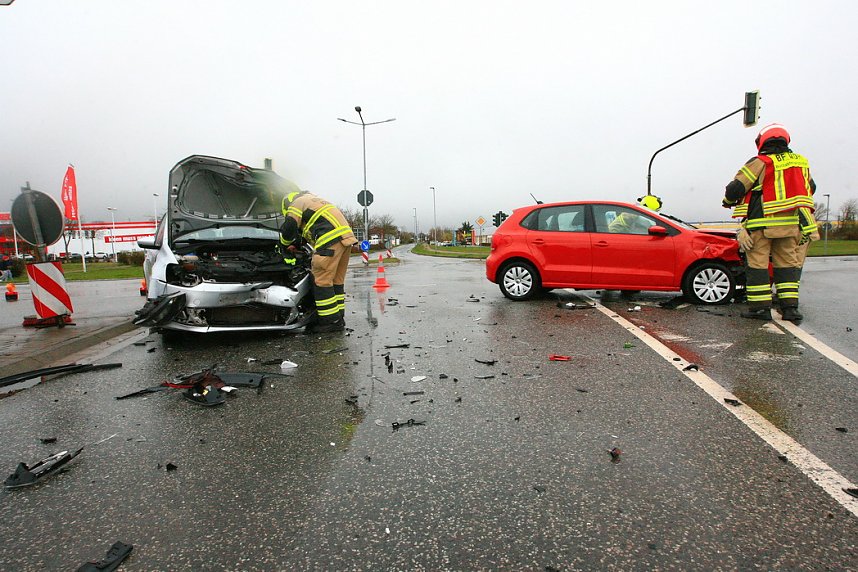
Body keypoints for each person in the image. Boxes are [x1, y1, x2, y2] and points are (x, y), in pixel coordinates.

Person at [722, 123, 816, 323]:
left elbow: (735, 189)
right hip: (790, 225)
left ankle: (760, 309)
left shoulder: (760, 162)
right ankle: (790, 309)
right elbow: (811, 188)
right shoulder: (800, 164)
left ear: (762, 141)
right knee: (787, 267)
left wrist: (728, 202)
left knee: (757, 266)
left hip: (761, 225)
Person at [280, 190, 358, 333]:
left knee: (321, 280)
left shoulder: (296, 203)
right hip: (345, 240)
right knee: (336, 281)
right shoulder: (314, 201)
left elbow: (290, 227)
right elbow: (311, 228)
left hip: (328, 240)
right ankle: (338, 317)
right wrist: (297, 244)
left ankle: (329, 322)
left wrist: (284, 244)